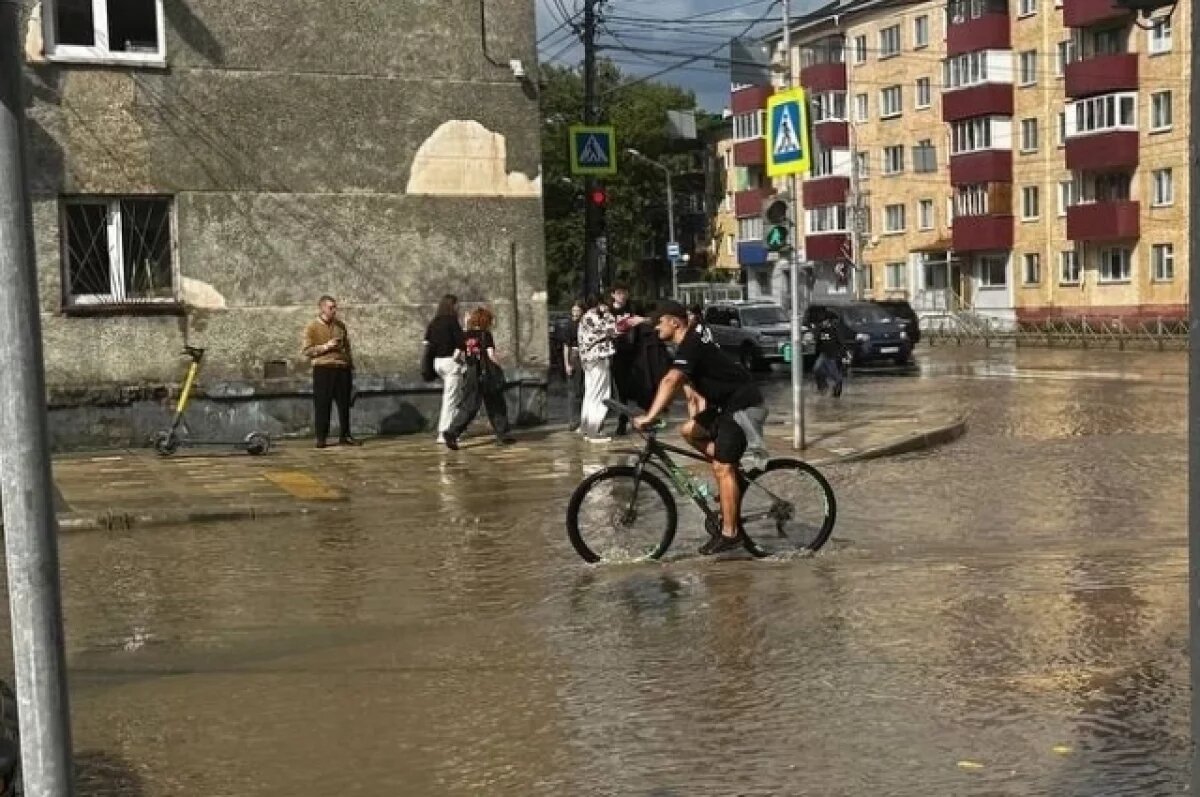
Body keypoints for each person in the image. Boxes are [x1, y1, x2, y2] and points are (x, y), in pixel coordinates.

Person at [634, 300, 768, 554]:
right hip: (724, 406)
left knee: (722, 466)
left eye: (659, 321)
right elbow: (691, 394)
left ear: (675, 322)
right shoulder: (684, 348)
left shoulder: (692, 343)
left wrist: (649, 416)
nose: (655, 327)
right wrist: (698, 419)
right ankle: (731, 475)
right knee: (688, 431)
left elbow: (671, 380)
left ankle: (731, 534)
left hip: (743, 406)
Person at [442, 307, 515, 450]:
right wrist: (500, 365)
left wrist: (467, 365)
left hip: (471, 374)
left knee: (469, 405)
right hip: (486, 374)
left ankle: (452, 432)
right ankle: (502, 434)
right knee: (496, 403)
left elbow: (456, 356)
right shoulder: (485, 335)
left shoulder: (464, 335)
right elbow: (490, 356)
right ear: (485, 321)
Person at [302, 295, 360, 448]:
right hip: (323, 368)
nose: (334, 310)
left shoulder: (340, 326)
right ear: (321, 308)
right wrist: (326, 346)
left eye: (335, 307)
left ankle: (345, 435)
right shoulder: (312, 327)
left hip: (341, 368)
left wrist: (350, 366)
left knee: (344, 404)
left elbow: (347, 348)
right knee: (323, 404)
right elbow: (307, 350)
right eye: (330, 307)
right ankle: (321, 437)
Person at [423, 294, 466, 445]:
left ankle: (453, 429)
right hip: (450, 362)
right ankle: (445, 432)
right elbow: (461, 342)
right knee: (451, 398)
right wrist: (457, 356)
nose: (458, 308)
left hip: (437, 362)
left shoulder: (434, 322)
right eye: (456, 305)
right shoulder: (451, 321)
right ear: (451, 305)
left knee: (452, 397)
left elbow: (427, 342)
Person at [577, 294, 617, 443]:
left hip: (589, 360)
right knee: (600, 394)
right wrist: (607, 314)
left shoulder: (585, 318)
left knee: (591, 393)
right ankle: (594, 430)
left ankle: (587, 427)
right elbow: (612, 329)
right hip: (598, 358)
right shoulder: (593, 318)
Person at [608, 285, 642, 436]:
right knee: (620, 390)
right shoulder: (608, 312)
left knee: (632, 387)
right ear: (613, 295)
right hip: (615, 354)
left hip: (632, 353)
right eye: (619, 293)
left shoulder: (632, 309)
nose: (622, 296)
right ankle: (622, 421)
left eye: (625, 293)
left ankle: (634, 417)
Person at [562, 300, 585, 432]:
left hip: (586, 356)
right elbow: (566, 346)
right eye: (573, 311)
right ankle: (574, 420)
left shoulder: (585, 324)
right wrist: (567, 364)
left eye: (577, 311)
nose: (575, 313)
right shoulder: (569, 326)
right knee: (573, 391)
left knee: (584, 390)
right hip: (575, 356)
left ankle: (584, 419)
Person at [814, 316, 847, 398]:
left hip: (832, 355)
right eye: (821, 322)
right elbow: (818, 343)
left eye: (824, 321)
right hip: (823, 354)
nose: (822, 323)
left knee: (834, 375)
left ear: (828, 321)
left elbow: (841, 343)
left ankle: (836, 392)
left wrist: (843, 354)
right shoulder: (820, 331)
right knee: (817, 369)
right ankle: (822, 388)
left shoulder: (834, 330)